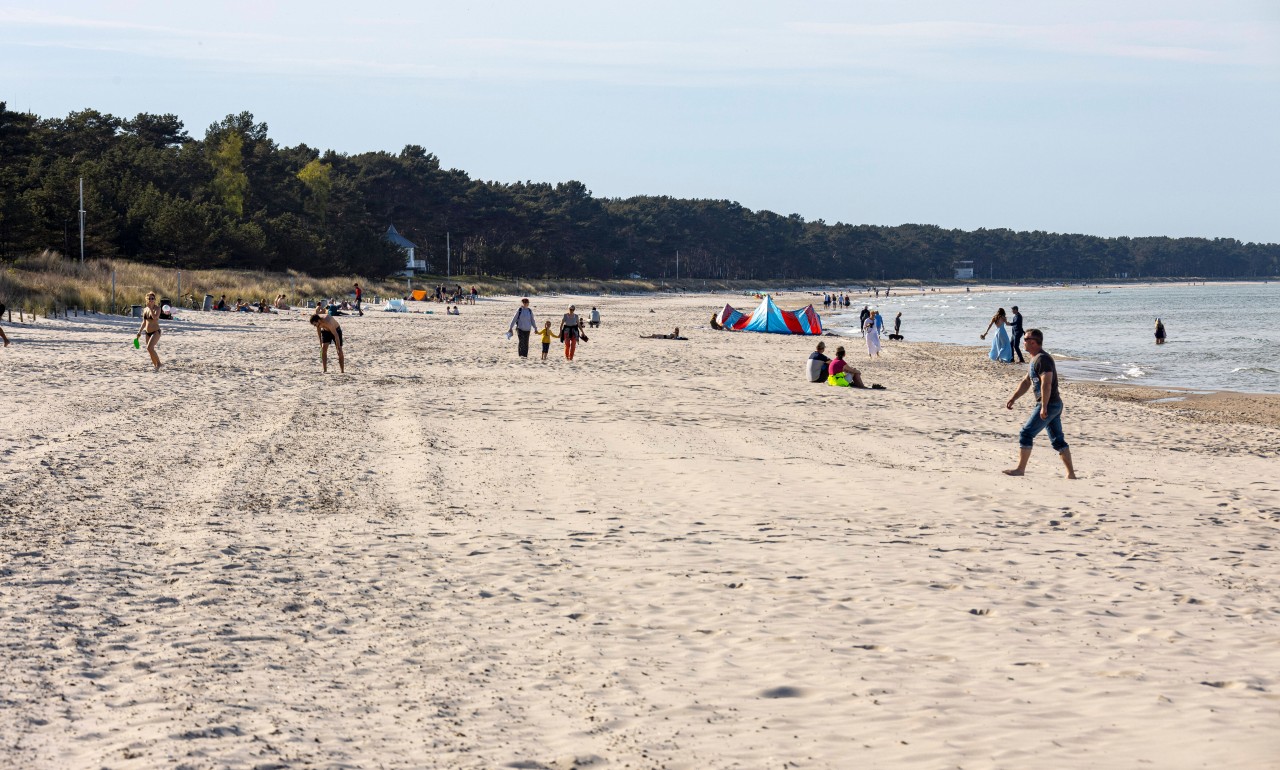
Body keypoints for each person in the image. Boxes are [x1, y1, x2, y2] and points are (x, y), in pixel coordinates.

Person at [1003, 329, 1075, 478]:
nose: (1023, 342)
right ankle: (1071, 474)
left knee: (1026, 433)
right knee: (1058, 441)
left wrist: (1043, 405)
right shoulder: (1035, 359)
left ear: (1033, 342)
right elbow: (1026, 381)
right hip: (1052, 405)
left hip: (1050, 404)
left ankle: (1020, 469)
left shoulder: (1043, 359)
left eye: (1025, 339)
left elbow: (1046, 384)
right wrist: (1014, 398)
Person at [134, 291, 163, 371]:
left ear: (155, 299)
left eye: (152, 298)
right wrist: (139, 331)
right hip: (147, 332)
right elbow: (144, 322)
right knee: (149, 350)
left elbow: (155, 318)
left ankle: (159, 363)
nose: (151, 300)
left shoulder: (157, 308)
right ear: (147, 299)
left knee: (150, 347)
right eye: (149, 298)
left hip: (156, 331)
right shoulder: (145, 309)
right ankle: (156, 367)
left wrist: (150, 309)